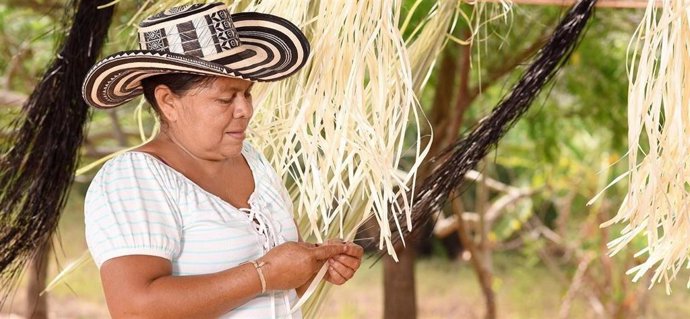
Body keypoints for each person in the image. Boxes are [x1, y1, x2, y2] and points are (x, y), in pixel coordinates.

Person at [81, 3, 363, 318]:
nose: (244, 110)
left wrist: (314, 264)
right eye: (226, 98)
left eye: (247, 94)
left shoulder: (254, 162)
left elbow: (279, 289)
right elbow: (135, 308)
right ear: (168, 102)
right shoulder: (133, 179)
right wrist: (263, 274)